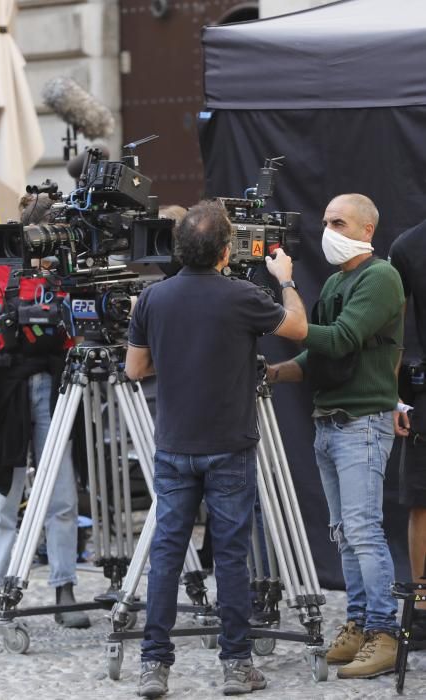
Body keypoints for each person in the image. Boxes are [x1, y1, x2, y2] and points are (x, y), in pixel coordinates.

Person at [125, 200, 308, 697]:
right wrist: (286, 281)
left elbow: (134, 369)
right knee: (231, 555)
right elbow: (297, 329)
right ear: (226, 251)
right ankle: (236, 665)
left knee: (167, 551)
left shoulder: (152, 299)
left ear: (180, 248)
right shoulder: (243, 296)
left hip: (174, 443)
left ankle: (154, 666)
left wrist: (181, 360)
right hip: (229, 443)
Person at [267, 193, 404, 679]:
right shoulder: (336, 281)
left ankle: (386, 633)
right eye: (325, 221)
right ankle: (360, 621)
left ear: (367, 230)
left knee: (364, 530)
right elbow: (320, 355)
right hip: (330, 421)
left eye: (339, 222)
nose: (328, 230)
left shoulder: (380, 278)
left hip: (361, 421)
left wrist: (287, 291)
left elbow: (340, 338)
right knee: (345, 533)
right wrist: (275, 372)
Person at [0, 193, 90, 632]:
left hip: (58, 390)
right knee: (1, 496)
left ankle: (64, 586)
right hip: (9, 391)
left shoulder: (71, 272)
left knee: (61, 498)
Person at [389, 219, 426, 640]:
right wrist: (392, 396)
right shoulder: (409, 245)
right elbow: (393, 333)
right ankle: (420, 607)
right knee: (421, 499)